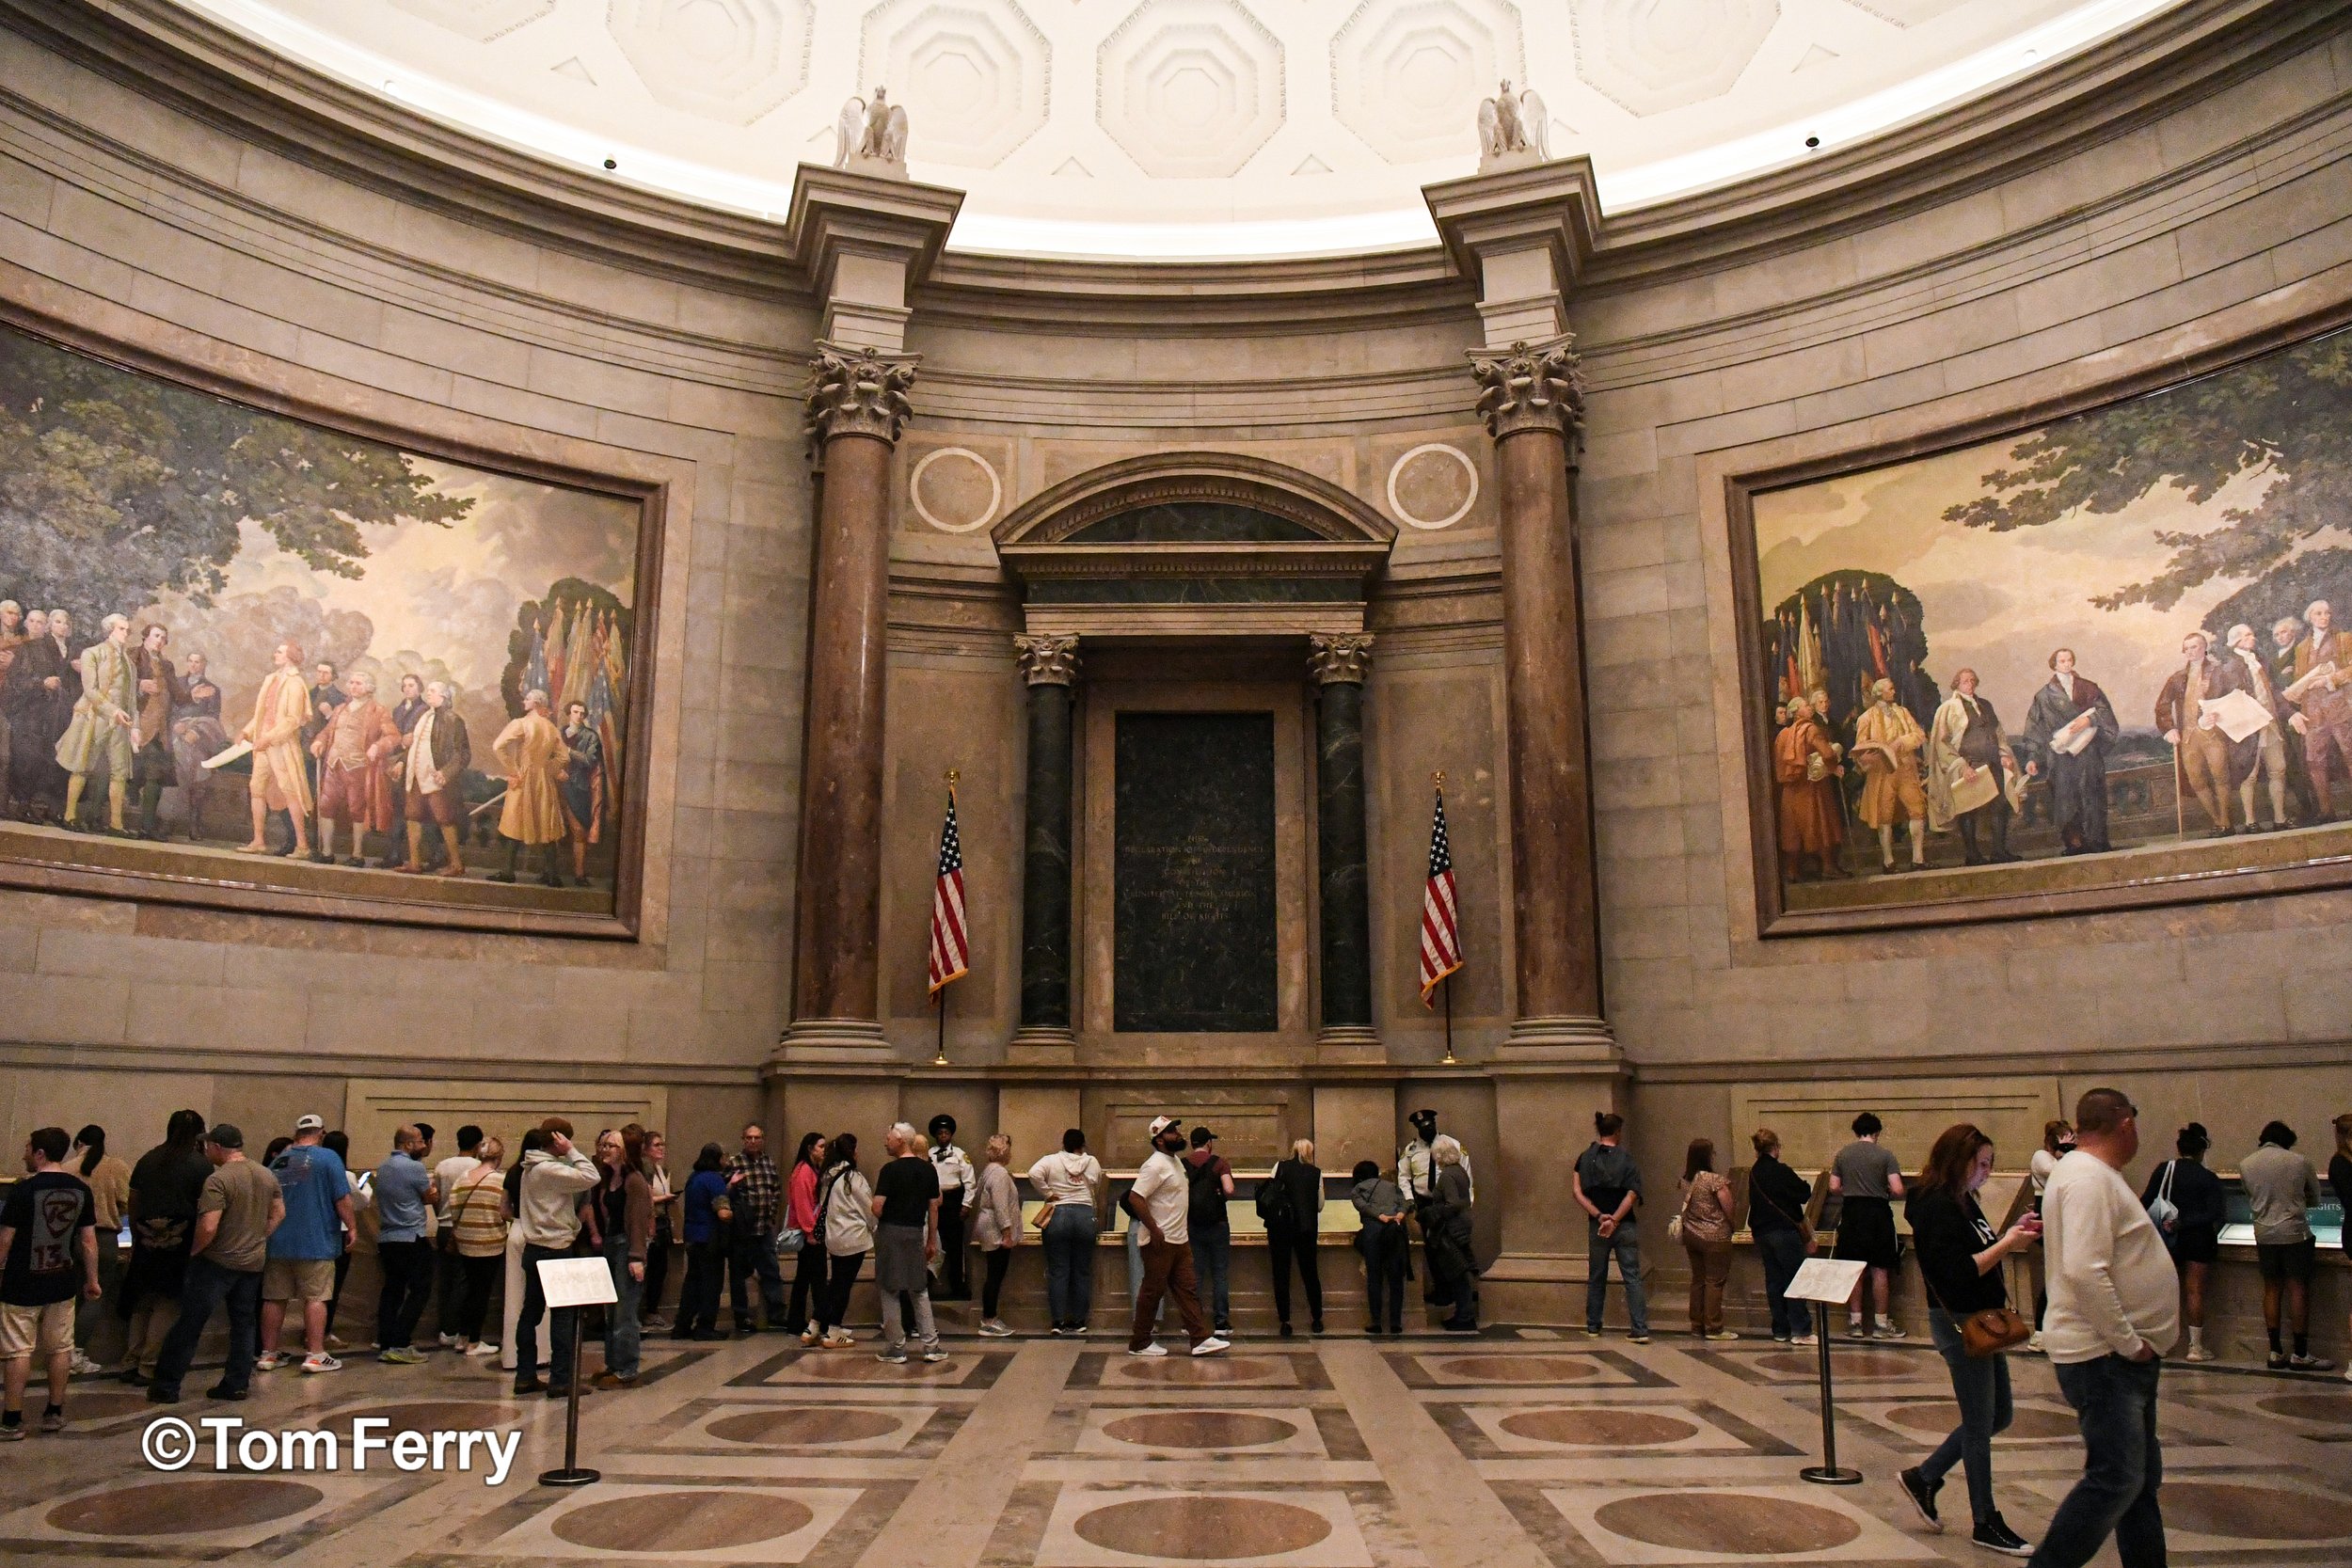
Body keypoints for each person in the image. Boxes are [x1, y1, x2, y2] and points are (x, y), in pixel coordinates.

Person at [2029, 1088, 2177, 1568]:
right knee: (2116, 1479)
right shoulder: (2089, 1178)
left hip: (2115, 1356)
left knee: (2137, 1483)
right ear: (2126, 1122)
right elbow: (2083, 1270)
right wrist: (2129, 1342)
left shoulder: (2091, 1175)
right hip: (2106, 1357)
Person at [1899, 1123, 2042, 1557]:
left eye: (1990, 1164)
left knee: (1999, 1415)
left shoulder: (1962, 1200)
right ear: (1957, 1160)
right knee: (1980, 1423)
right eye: (1981, 1163)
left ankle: (1924, 1477)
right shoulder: (1936, 1206)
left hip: (1981, 1317)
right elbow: (1960, 1271)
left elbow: (1980, 1247)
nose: (1986, 1172)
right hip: (1961, 1321)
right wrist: (2009, 1244)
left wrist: (2010, 1232)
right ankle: (1985, 1520)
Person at [149, 1124, 282, 1404]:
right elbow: (279, 1213)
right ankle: (236, 1384)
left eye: (208, 1145)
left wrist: (195, 1251)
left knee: (190, 1323)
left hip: (217, 1262)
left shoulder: (218, 1180)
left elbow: (209, 1226)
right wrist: (258, 1238)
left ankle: (166, 1385)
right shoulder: (265, 1174)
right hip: (252, 1263)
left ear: (219, 1147)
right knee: (244, 1325)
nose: (206, 1149)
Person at [0, 1128, 99, 1437]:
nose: (24, 1154)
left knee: (18, 1350)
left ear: (40, 1153)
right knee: (60, 1348)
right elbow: (88, 1242)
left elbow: (5, 1239)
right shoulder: (81, 1190)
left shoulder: (23, 1191)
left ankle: (12, 1420)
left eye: (28, 1148)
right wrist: (93, 1280)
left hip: (21, 1282)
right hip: (62, 1280)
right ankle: (54, 1412)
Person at [118, 1109, 211, 1385]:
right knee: (167, 1302)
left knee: (142, 1300)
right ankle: (149, 1364)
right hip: (180, 1239)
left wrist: (137, 1233)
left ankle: (130, 1360)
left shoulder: (149, 1158)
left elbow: (133, 1199)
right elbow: (205, 1206)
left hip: (146, 1235)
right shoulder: (199, 1164)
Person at [257, 1115, 352, 1374]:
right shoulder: (328, 1158)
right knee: (316, 1298)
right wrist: (352, 1227)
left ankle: (268, 1354)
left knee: (274, 1298)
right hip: (315, 1240)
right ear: (321, 1133)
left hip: (277, 1240)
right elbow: (342, 1198)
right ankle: (316, 1354)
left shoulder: (280, 1160)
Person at [511, 1121, 599, 1398]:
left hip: (534, 1248)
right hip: (556, 1249)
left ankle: (525, 1376)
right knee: (563, 1317)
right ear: (557, 1140)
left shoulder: (529, 1167)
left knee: (530, 1314)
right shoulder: (549, 1169)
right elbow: (591, 1176)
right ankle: (560, 1380)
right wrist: (571, 1150)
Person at [1125, 1116, 1225, 1357]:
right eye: (1171, 1132)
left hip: (1180, 1239)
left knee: (1187, 1289)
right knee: (1152, 1291)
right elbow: (1135, 1197)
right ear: (1159, 1140)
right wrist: (1154, 1228)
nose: (1178, 1135)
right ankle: (1139, 1342)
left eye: (1176, 1130)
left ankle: (1199, 1338)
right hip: (1160, 1241)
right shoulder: (1154, 1165)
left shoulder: (1176, 1163)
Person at [2240, 1120, 2334, 1371]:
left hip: (2264, 1235)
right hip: (2294, 1234)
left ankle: (2274, 1351)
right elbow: (2314, 1197)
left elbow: (2249, 1195)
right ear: (2287, 1141)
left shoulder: (2246, 1164)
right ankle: (2300, 1354)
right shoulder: (2299, 1162)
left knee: (2271, 1288)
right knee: (2297, 1289)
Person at [2140, 1123, 2225, 1363]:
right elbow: (2215, 1212)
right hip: (2199, 1239)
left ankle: (2161, 1343)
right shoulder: (2207, 1177)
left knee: (2166, 1291)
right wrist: (2186, 1222)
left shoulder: (2164, 1170)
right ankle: (2196, 1347)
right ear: (2202, 1150)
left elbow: (2146, 1200)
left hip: (2167, 1238)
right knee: (2194, 1290)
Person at [2025, 647, 2121, 854]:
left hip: (2087, 751)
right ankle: (2074, 843)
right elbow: (2035, 727)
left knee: (2093, 795)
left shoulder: (2088, 687)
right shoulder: (2043, 695)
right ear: (2054, 664)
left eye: (2069, 660)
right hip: (2061, 756)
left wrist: (2090, 719)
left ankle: (2097, 841)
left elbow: (2104, 711)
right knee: (2065, 799)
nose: (2066, 664)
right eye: (2062, 661)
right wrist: (2033, 756)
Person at [2155, 630, 2249, 836]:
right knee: (2196, 780)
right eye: (2186, 648)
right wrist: (2169, 728)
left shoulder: (2219, 672)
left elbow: (2236, 699)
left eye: (2194, 647)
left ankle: (2226, 822)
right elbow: (2162, 706)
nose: (2190, 651)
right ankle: (2217, 821)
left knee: (2221, 776)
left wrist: (2219, 714)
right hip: (2189, 737)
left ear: (2204, 648)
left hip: (2214, 733)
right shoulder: (2178, 678)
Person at [54, 612, 137, 836]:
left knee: (119, 772)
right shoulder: (92, 653)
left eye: (127, 630)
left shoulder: (129, 663)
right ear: (110, 629)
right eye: (122, 629)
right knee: (82, 766)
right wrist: (113, 710)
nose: (126, 634)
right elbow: (90, 690)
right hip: (94, 717)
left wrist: (134, 726)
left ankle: (116, 824)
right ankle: (70, 816)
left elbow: (131, 700)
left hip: (121, 724)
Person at [1928, 670, 2022, 863]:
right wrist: (1962, 767)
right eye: (1965, 681)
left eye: (1972, 681)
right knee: (1968, 809)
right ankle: (1972, 855)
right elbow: (1942, 743)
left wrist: (2004, 754)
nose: (1969, 684)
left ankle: (1998, 851)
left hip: (1992, 763)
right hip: (1970, 765)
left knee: (2000, 806)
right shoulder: (1949, 708)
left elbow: (1998, 733)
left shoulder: (1985, 705)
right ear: (1957, 684)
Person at [871, 1124, 946, 1364]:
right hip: (916, 1232)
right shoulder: (928, 1170)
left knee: (890, 1289)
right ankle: (931, 1346)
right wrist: (932, 1240)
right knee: (919, 1289)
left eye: (889, 1138)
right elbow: (934, 1207)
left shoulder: (889, 1170)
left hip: (891, 1232)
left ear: (901, 1140)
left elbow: (877, 1207)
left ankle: (896, 1347)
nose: (885, 1142)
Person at [1572, 1112, 1647, 1342]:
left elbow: (1577, 1191)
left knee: (1596, 1276)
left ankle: (1593, 1326)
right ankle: (1639, 1328)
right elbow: (1632, 1193)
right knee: (1632, 1276)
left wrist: (1599, 1216)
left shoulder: (1584, 1158)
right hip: (1624, 1226)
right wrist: (1615, 1219)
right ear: (1617, 1132)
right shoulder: (1627, 1159)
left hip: (1597, 1226)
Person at [1831, 1112, 1906, 1338]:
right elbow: (1898, 1189)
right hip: (1878, 1215)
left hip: (1852, 1213)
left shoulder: (1843, 1154)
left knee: (1855, 1269)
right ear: (1877, 1132)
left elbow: (1834, 1186)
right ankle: (1881, 1324)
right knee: (1880, 1269)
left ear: (1856, 1131)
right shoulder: (1885, 1155)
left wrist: (1851, 1191)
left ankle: (1855, 1322)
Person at [236, 640, 314, 857]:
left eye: (279, 652)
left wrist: (268, 738)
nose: (275, 654)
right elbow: (262, 714)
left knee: (291, 791)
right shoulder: (271, 679)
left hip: (281, 746)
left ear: (289, 656)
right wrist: (247, 731)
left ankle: (302, 846)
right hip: (263, 744)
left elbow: (292, 720)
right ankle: (259, 840)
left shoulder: (295, 683)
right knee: (257, 788)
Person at [369, 1125, 436, 1365]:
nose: (423, 1146)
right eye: (419, 1142)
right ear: (407, 1144)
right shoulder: (415, 1167)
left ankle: (385, 1340)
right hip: (411, 1236)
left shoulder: (384, 1167)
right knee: (420, 1289)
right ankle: (401, 1341)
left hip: (388, 1237)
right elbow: (429, 1196)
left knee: (392, 1290)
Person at [488, 689, 567, 886]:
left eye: (529, 699)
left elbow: (498, 746)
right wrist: (548, 770)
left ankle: (508, 872)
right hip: (544, 781)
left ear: (537, 703)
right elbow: (563, 757)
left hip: (523, 779)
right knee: (545, 824)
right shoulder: (551, 728)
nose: (524, 701)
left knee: (515, 822)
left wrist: (513, 771)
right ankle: (552, 875)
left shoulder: (522, 724)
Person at [66, 1124, 127, 1377]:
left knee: (71, 1298)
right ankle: (76, 1352)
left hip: (70, 1239)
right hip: (103, 1238)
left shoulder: (67, 1167)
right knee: (94, 1294)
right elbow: (126, 1203)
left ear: (79, 1142)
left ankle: (61, 1351)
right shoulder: (118, 1167)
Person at [593, 1128, 652, 1387]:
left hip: (627, 1246)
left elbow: (639, 1220)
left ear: (625, 1152)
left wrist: (636, 1256)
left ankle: (627, 1368)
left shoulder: (634, 1180)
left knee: (625, 1312)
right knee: (610, 1310)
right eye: (604, 1145)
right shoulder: (610, 1178)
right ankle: (613, 1363)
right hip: (611, 1244)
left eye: (611, 1146)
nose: (605, 1150)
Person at [1029, 1129, 1104, 1336]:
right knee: (1082, 1271)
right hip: (1084, 1214)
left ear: (1063, 1143)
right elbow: (1096, 1184)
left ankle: (1058, 1322)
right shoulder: (1092, 1162)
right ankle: (1079, 1321)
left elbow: (1033, 1173)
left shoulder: (1051, 1160)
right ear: (1083, 1144)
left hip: (1058, 1214)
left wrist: (1049, 1193)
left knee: (1058, 1271)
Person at [1853, 677, 1930, 872]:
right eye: (1890, 689)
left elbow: (1919, 735)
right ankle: (1888, 862)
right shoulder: (1866, 717)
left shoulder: (1902, 712)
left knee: (1917, 810)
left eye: (1893, 689)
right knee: (1883, 816)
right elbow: (1860, 747)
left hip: (1905, 769)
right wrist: (1867, 756)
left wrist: (1901, 742)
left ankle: (1918, 859)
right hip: (1881, 773)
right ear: (1880, 693)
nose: (1894, 692)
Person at [1748, 1129, 1816, 1345]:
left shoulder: (1753, 1173)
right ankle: (1801, 1330)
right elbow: (1804, 1192)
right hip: (1784, 1231)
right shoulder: (1780, 1170)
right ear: (1775, 1148)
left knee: (1774, 1280)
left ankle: (1780, 1328)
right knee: (1794, 1278)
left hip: (1762, 1233)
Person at [395, 679, 469, 877]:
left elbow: (462, 754)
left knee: (445, 819)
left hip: (437, 780)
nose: (428, 694)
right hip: (416, 777)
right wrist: (401, 762)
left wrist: (446, 772)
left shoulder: (453, 720)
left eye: (433, 691)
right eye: (427, 691)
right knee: (412, 816)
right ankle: (414, 862)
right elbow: (415, 745)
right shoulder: (424, 716)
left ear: (444, 696)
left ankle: (456, 864)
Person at [2288, 598, 2352, 818]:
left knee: (2350, 753)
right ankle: (2326, 810)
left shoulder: (2344, 639)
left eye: (2327, 613)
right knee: (2314, 760)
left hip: (2340, 707)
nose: (2324, 617)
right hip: (2312, 712)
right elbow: (2300, 680)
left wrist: (2329, 680)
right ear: (2310, 618)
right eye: (2318, 613)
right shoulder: (2301, 647)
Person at [809, 1133, 873, 1350]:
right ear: (851, 1152)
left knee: (834, 1282)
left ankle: (814, 1326)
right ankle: (834, 1331)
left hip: (833, 1237)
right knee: (843, 1286)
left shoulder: (827, 1176)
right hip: (853, 1237)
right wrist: (874, 1227)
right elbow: (869, 1207)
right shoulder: (852, 1177)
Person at [444, 1139, 506, 1355]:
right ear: (499, 1158)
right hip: (490, 1242)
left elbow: (452, 1207)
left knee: (468, 1290)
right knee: (482, 1292)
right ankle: (474, 1341)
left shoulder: (463, 1179)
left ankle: (462, 1337)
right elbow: (505, 1211)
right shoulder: (499, 1181)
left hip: (466, 1240)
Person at [1774, 693, 1847, 879]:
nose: (1810, 708)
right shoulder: (1811, 730)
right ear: (1797, 712)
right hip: (1812, 787)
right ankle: (1828, 867)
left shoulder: (1783, 734)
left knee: (1793, 829)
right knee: (1821, 824)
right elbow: (1827, 753)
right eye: (1806, 706)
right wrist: (1835, 762)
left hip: (1791, 790)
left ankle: (1791, 871)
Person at [723, 1124, 787, 1334]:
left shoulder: (768, 1162)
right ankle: (742, 1316)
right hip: (742, 1231)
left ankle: (776, 1314)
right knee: (739, 1275)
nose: (753, 1142)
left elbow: (775, 1190)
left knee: (771, 1270)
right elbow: (723, 1194)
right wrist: (731, 1186)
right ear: (743, 1140)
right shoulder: (734, 1163)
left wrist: (771, 1215)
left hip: (764, 1228)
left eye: (757, 1138)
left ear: (762, 1140)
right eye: (749, 1138)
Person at [1261, 1138, 1325, 1337]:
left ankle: (1285, 1321)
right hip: (1306, 1229)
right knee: (1310, 1274)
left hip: (1280, 1228)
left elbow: (1269, 1194)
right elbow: (1320, 1204)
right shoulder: (1316, 1173)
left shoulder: (1279, 1167)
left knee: (1281, 1274)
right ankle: (1316, 1318)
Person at [1677, 1138, 1737, 1341]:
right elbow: (1728, 1205)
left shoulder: (1685, 1181)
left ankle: (1696, 1324)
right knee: (1715, 1281)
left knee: (1698, 1280)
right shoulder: (1714, 1180)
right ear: (1707, 1156)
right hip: (1715, 1236)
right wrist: (1733, 1225)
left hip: (1692, 1235)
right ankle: (1714, 1327)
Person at [431, 1126, 485, 1349]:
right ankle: (453, 1329)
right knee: (463, 1282)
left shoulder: (443, 1166)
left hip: (443, 1225)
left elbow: (436, 1196)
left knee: (446, 1280)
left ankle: (444, 1326)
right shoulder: (479, 1168)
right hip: (465, 1226)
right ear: (478, 1145)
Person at [674, 1142, 730, 1340]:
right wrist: (736, 1214)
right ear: (717, 1159)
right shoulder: (715, 1179)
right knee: (711, 1285)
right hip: (710, 1240)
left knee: (692, 1284)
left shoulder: (694, 1178)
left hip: (692, 1237)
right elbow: (722, 1212)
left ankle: (682, 1326)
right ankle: (705, 1327)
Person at [2026, 1120, 2073, 1353]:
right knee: (2054, 1275)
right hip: (2048, 1214)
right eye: (2065, 1138)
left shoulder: (2066, 1157)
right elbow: (2058, 1172)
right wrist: (2066, 1152)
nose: (2070, 1143)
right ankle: (2040, 1333)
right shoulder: (2041, 1157)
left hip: (2064, 1215)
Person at [1185, 1126, 1236, 1336]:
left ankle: (1193, 1321)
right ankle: (1221, 1322)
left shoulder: (1183, 1164)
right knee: (1219, 1274)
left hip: (1193, 1225)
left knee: (1195, 1274)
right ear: (1208, 1143)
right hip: (1218, 1225)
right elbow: (1229, 1189)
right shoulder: (1219, 1163)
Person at [1351, 1159, 1409, 1336]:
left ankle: (1376, 1321)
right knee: (1396, 1279)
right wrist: (1399, 1214)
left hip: (1373, 1235)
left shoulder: (1358, 1189)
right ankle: (1395, 1323)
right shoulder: (1391, 1186)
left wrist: (1378, 1215)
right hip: (1395, 1233)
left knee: (1374, 1278)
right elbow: (1404, 1202)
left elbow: (1362, 1206)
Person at [1427, 1136, 1478, 1332]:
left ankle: (1464, 1315)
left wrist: (1435, 1215)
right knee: (1460, 1271)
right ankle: (1463, 1313)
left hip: (1451, 1227)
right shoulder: (1460, 1171)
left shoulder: (1447, 1175)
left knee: (1457, 1271)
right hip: (1462, 1223)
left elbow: (1452, 1202)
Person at [972, 1133, 1021, 1337]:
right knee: (995, 1275)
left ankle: (989, 1317)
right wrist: (1007, 1232)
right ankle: (989, 1319)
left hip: (988, 1225)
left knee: (994, 1274)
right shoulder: (1000, 1174)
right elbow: (1001, 1206)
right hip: (996, 1229)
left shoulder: (988, 1171)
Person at [781, 1132, 827, 1337]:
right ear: (810, 1148)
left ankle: (797, 1320)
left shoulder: (811, 1170)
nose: (824, 1150)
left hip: (812, 1231)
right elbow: (802, 1205)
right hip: (809, 1233)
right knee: (816, 1278)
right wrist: (811, 1232)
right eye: (821, 1146)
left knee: (805, 1278)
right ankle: (820, 1320)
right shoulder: (803, 1172)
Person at [928, 1115, 974, 1303]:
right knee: (932, 1244)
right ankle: (927, 1285)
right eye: (940, 1133)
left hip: (954, 1201)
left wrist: (966, 1204)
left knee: (955, 1247)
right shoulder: (929, 1154)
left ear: (951, 1135)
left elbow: (970, 1181)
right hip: (934, 1202)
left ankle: (957, 1286)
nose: (943, 1136)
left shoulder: (960, 1155)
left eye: (946, 1132)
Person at [640, 1130, 675, 1330]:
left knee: (659, 1270)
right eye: (656, 1145)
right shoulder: (645, 1168)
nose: (661, 1148)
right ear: (646, 1149)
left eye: (662, 1144)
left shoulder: (661, 1169)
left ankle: (652, 1311)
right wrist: (665, 1198)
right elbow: (644, 1197)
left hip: (662, 1221)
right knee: (648, 1268)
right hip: (650, 1222)